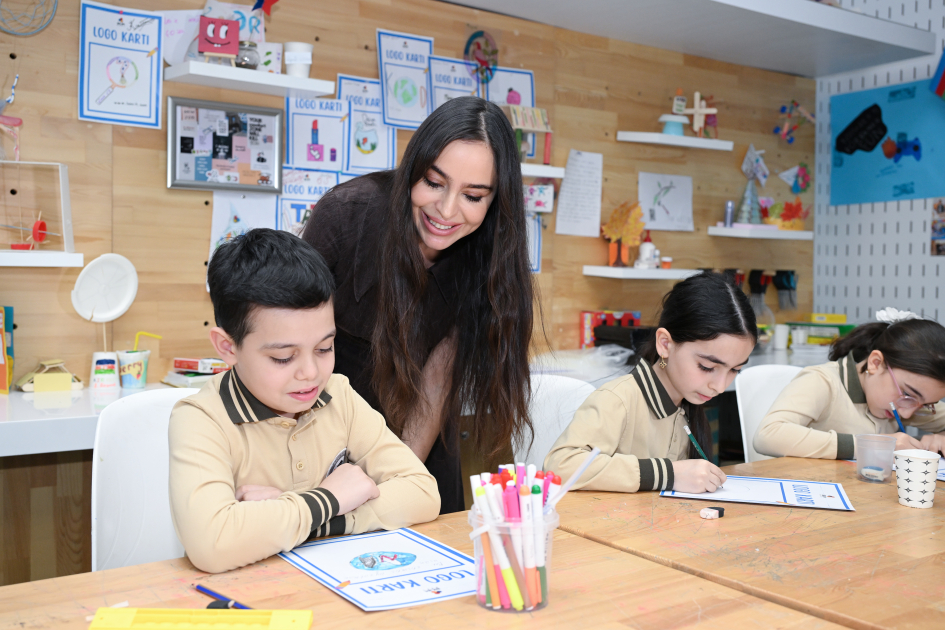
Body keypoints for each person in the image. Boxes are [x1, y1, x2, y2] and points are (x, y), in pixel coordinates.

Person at [302, 96, 535, 513]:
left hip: (415, 447)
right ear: (414, 168)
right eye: (433, 182)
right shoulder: (347, 215)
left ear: (494, 201)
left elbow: (436, 383)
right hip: (317, 434)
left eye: (473, 196)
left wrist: (398, 485)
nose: (446, 210)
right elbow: (295, 350)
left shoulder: (488, 256)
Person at [168, 229, 440, 574]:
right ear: (228, 347)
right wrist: (330, 498)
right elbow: (213, 543)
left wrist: (307, 516)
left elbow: (422, 493)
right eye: (283, 357)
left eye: (324, 348)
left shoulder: (338, 395)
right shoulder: (201, 419)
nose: (311, 373)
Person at [544, 272, 757, 494]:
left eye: (735, 370)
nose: (720, 386)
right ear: (665, 344)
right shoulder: (618, 400)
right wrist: (667, 474)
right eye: (706, 367)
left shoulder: (686, 405)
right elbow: (560, 466)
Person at [754, 309, 945, 460]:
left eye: (926, 404)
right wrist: (869, 445)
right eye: (908, 395)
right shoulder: (823, 381)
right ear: (875, 363)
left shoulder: (907, 403)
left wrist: (941, 439)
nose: (907, 414)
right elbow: (768, 435)